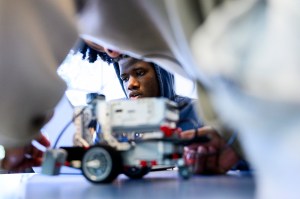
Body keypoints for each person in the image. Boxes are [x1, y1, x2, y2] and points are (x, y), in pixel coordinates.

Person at [77, 40, 244, 174]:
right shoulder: (111, 118)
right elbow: (98, 165)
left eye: (140, 73)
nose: (131, 85)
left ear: (161, 74)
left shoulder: (199, 112)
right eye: (125, 78)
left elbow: (243, 161)